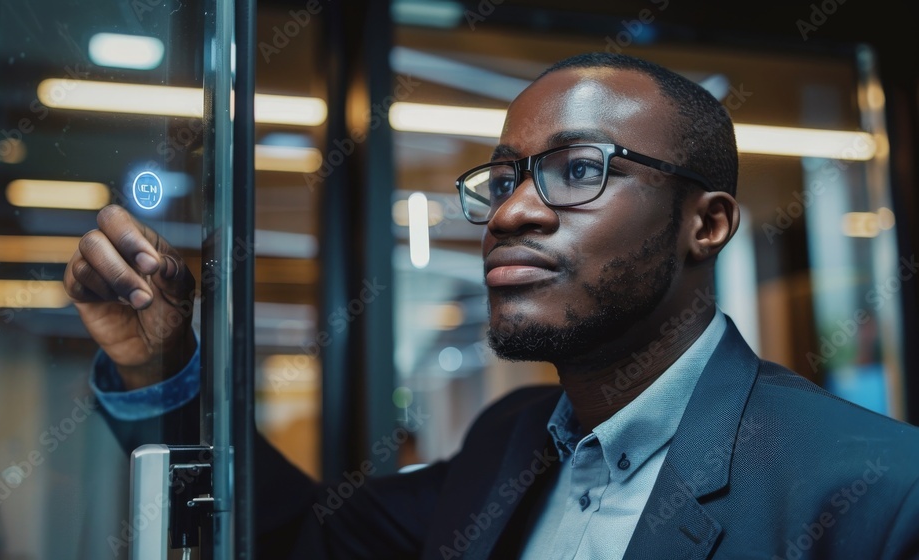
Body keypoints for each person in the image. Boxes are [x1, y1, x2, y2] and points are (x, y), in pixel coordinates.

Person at [65, 53, 919, 559]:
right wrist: (161, 363)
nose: (512, 211)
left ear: (708, 223)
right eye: (504, 179)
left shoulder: (880, 496)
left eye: (580, 169)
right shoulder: (508, 445)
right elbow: (301, 543)